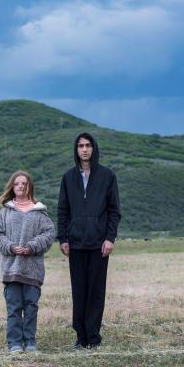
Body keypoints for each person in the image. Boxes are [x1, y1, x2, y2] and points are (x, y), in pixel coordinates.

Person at [57, 132, 121, 350]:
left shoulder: (107, 176)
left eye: (88, 145)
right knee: (79, 291)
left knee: (95, 291)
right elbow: (62, 210)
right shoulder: (68, 177)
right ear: (76, 150)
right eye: (80, 146)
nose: (84, 149)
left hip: (98, 245)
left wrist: (109, 238)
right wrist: (63, 238)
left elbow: (114, 211)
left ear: (94, 148)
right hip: (75, 244)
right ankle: (80, 337)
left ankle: (94, 338)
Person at [0, 171, 55, 354]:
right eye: (17, 183)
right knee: (14, 308)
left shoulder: (39, 212)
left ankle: (30, 343)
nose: (20, 186)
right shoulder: (5, 212)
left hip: (33, 270)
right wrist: (10, 247)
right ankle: (15, 344)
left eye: (24, 183)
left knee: (31, 308)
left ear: (29, 187)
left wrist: (32, 247)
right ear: (12, 186)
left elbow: (49, 235)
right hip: (11, 270)